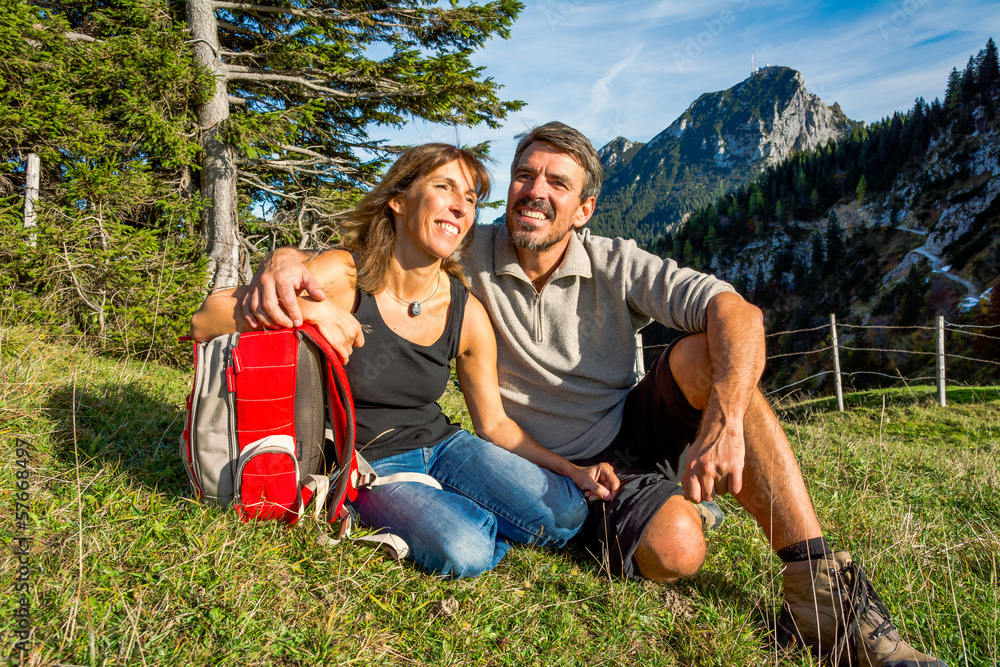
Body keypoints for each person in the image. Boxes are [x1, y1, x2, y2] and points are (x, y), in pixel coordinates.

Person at [241, 124, 946, 667]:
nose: (535, 190)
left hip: (628, 431)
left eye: (556, 181)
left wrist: (725, 418)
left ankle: (819, 591)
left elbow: (739, 314)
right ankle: (616, 520)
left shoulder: (616, 261)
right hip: (548, 460)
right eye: (524, 175)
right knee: (678, 552)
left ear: (584, 208)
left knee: (708, 353)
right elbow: (364, 256)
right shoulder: (464, 252)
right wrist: (281, 265)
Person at [190, 143, 623, 579]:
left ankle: (456, 504)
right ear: (398, 200)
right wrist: (314, 309)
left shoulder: (466, 310)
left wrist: (571, 470)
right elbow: (206, 319)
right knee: (466, 551)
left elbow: (495, 425)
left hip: (444, 447)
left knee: (567, 512)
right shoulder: (345, 277)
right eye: (444, 187)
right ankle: (438, 513)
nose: (459, 206)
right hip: (369, 461)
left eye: (470, 198)